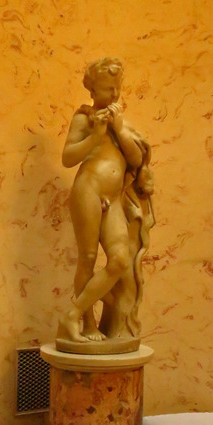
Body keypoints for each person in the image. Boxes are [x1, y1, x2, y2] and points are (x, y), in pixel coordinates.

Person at [57, 58, 152, 345]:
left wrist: (119, 129)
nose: (113, 94)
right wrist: (95, 137)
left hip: (113, 198)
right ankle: (87, 325)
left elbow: (136, 159)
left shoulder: (120, 123)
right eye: (107, 89)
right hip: (88, 190)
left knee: (120, 260)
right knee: (87, 258)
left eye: (117, 88)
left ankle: (72, 314)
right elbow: (68, 158)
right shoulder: (84, 119)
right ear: (92, 90)